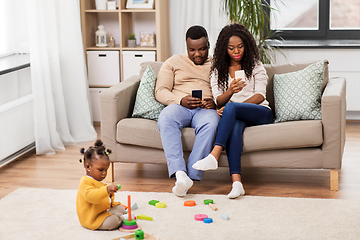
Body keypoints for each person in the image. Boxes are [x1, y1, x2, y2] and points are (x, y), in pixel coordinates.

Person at [192, 23, 273, 199]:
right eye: (231, 48)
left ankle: (214, 154)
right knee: (235, 127)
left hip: (261, 113)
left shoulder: (255, 65)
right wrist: (230, 92)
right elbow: (218, 100)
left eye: (240, 46)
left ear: (247, 45)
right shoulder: (217, 71)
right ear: (224, 49)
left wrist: (234, 107)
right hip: (235, 116)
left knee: (232, 108)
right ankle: (237, 183)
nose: (236, 51)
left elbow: (260, 96)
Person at [155, 25, 220, 197]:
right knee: (166, 117)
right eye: (192, 50)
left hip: (205, 110)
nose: (197, 54)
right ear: (186, 47)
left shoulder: (217, 64)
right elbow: (160, 91)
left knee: (213, 122)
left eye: (202, 49)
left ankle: (191, 175)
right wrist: (180, 100)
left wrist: (214, 103)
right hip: (179, 107)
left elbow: (226, 91)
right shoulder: (173, 62)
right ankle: (180, 174)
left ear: (209, 45)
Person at [76, 140, 126, 230]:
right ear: (88, 167)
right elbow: (92, 196)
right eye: (101, 170)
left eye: (106, 170)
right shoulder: (85, 181)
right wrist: (106, 190)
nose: (104, 173)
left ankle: (116, 215)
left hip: (101, 211)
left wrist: (110, 193)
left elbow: (103, 196)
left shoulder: (97, 180)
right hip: (92, 219)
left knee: (120, 208)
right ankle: (119, 218)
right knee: (113, 221)